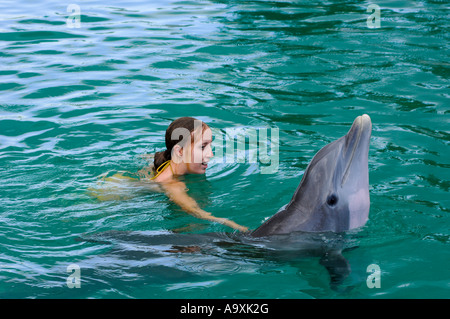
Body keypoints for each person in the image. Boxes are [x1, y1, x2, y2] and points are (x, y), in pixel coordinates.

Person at [139, 117, 248, 232]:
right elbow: (195, 211)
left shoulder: (167, 161)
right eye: (202, 147)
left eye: (210, 145)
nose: (210, 154)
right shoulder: (172, 184)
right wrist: (237, 227)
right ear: (180, 151)